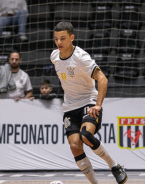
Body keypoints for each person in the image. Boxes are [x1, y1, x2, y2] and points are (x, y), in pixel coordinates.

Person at [50, 21, 127, 184]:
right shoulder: (54, 56)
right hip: (69, 108)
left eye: (62, 38)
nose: (59, 43)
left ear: (72, 38)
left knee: (85, 135)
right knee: (75, 146)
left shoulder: (81, 57)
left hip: (88, 102)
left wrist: (97, 105)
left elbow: (102, 79)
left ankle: (114, 166)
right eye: (56, 38)